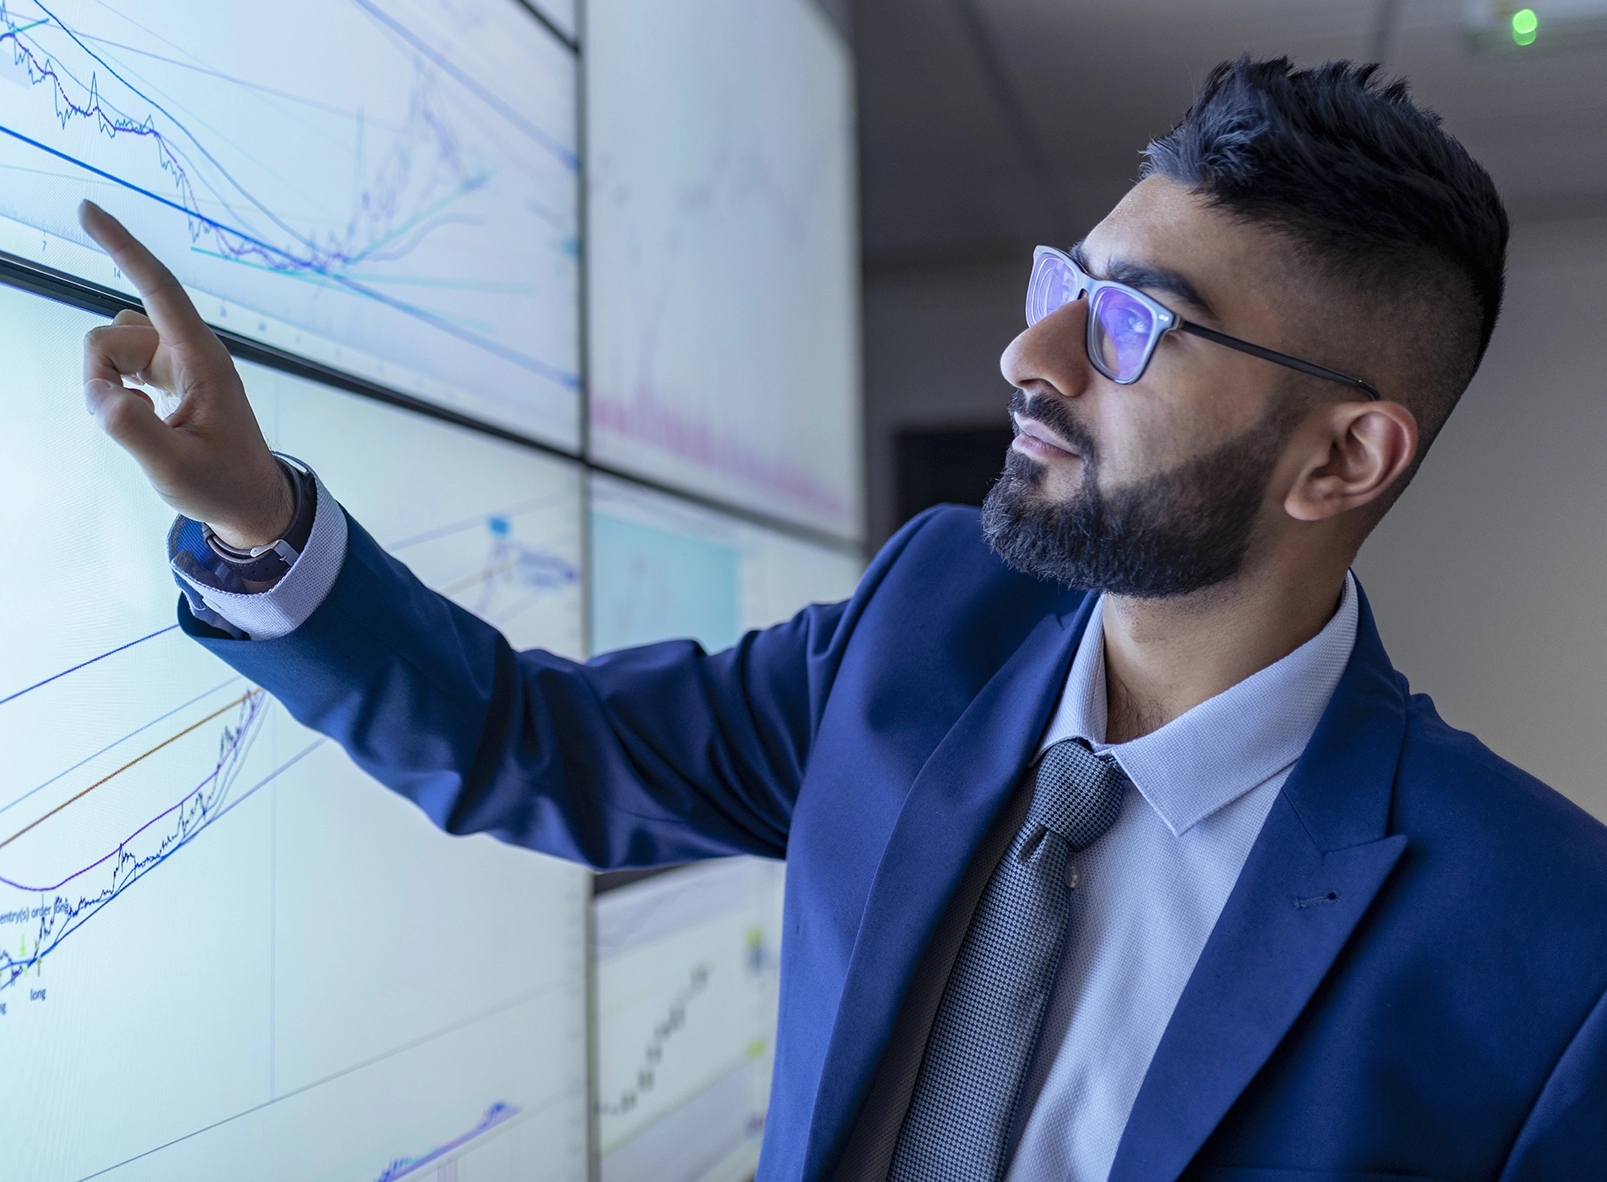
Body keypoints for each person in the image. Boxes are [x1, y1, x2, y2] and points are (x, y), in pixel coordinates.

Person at [77, 57, 1607, 1181]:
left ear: (1344, 457)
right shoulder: (929, 625)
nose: (1030, 350)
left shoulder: (1546, 947)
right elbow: (523, 742)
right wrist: (257, 514)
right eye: (1066, 283)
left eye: (1130, 323)